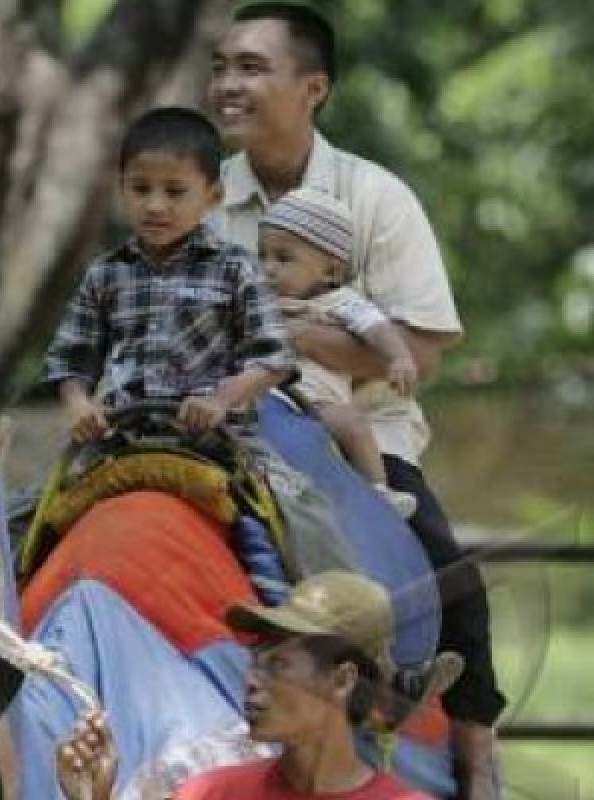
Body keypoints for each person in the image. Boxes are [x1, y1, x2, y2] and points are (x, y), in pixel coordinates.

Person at [205, 4, 503, 796]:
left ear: (314, 88)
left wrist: (279, 338)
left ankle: (477, 746)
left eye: (251, 68)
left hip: (356, 436)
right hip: (225, 426)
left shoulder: (378, 198)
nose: (227, 84)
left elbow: (423, 349)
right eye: (221, 66)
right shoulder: (197, 195)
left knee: (453, 579)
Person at [56, 572, 436, 799]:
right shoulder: (208, 794)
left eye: (279, 665)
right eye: (255, 663)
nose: (252, 681)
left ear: (341, 680)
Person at [42, 107, 294, 443]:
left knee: (290, 494)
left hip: (219, 439)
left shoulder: (237, 268)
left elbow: (274, 358)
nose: (155, 205)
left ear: (213, 196)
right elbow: (71, 359)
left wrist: (220, 400)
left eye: (174, 192)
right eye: (141, 189)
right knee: (44, 496)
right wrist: (79, 404)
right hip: (122, 434)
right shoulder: (106, 273)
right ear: (122, 189)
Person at [259, 187, 419, 518]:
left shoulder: (340, 304)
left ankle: (379, 490)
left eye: (283, 258)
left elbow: (376, 328)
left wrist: (399, 356)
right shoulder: (259, 300)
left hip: (315, 405)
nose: (268, 268)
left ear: (330, 271)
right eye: (264, 255)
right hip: (261, 395)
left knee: (353, 425)